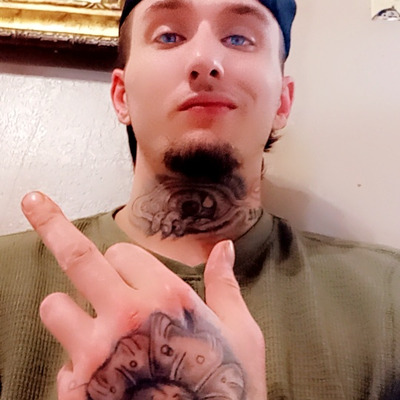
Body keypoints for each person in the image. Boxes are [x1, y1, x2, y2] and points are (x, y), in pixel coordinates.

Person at [1, 0, 400, 399]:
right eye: (169, 36)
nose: (205, 60)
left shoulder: (389, 299)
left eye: (239, 38)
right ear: (122, 96)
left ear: (282, 101)